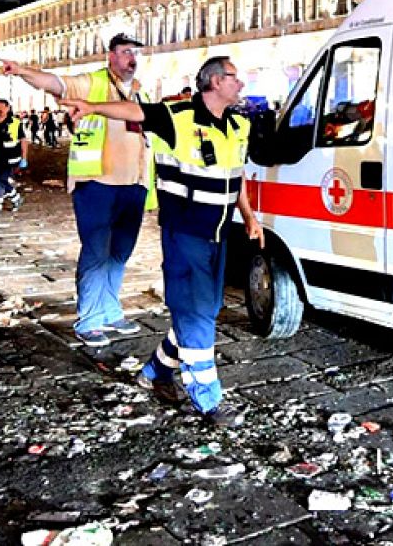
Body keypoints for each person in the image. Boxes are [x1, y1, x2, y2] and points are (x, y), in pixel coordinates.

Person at [60, 56, 261, 426]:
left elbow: (237, 173)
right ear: (215, 81)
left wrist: (249, 216)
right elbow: (133, 110)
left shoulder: (238, 125)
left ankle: (155, 371)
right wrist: (91, 107)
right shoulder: (178, 117)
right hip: (185, 233)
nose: (241, 84)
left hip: (219, 234)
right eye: (235, 77)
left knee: (204, 307)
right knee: (197, 312)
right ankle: (208, 399)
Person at [0, 34, 152, 348]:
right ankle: (90, 319)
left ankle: (110, 310)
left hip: (134, 183)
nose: (132, 59)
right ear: (111, 56)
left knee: (120, 252)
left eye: (135, 53)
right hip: (96, 181)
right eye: (125, 52)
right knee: (97, 251)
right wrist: (23, 71)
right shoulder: (92, 83)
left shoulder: (140, 92)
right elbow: (56, 83)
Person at [0, 97, 28, 216]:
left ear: (8, 108)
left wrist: (24, 158)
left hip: (11, 157)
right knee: (0, 179)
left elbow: (23, 140)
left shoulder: (15, 122)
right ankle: (16, 198)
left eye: (2, 107)